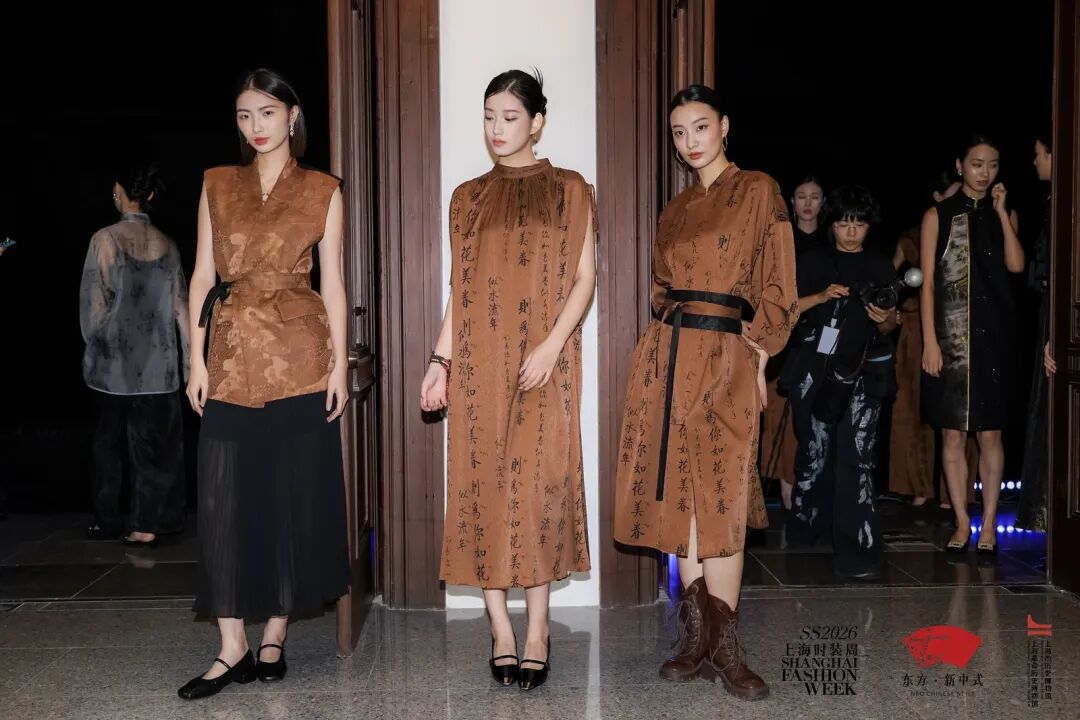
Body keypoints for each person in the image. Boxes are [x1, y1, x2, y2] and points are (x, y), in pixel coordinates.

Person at [613, 84, 797, 701]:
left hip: (728, 356)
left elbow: (779, 282)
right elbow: (659, 290)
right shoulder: (675, 208)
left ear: (724, 126)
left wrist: (760, 354)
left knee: (723, 497)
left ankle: (728, 647)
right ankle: (696, 639)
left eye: (699, 126)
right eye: (679, 132)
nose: (689, 141)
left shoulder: (759, 190)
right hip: (669, 356)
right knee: (684, 498)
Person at [420, 69, 595, 692]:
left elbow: (584, 279)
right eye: (489, 116)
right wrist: (439, 362)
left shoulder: (570, 189)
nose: (497, 128)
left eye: (511, 117)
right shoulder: (467, 197)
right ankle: (499, 629)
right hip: (479, 365)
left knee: (539, 490)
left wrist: (551, 345)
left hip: (546, 361)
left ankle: (538, 630)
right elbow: (461, 292)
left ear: (537, 122)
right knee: (484, 487)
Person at [179, 68, 349, 700]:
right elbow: (202, 276)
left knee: (289, 494)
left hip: (301, 355)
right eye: (244, 115)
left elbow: (333, 282)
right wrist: (195, 360)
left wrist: (338, 365)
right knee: (222, 496)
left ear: (292, 115)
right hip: (228, 354)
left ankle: (275, 630)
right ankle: (232, 646)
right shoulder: (216, 184)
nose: (255, 126)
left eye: (267, 113)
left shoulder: (323, 189)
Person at [784, 185, 897, 580]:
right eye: (844, 223)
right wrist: (820, 296)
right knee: (815, 451)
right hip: (816, 368)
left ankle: (859, 551)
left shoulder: (879, 264)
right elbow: (785, 310)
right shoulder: (813, 260)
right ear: (831, 225)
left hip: (864, 370)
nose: (851, 232)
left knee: (857, 456)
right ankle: (806, 535)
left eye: (859, 224)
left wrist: (884, 318)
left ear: (869, 227)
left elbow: (891, 322)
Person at [920, 134, 1024, 556]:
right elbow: (928, 283)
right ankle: (962, 521)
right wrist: (930, 341)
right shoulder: (938, 215)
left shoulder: (1005, 212)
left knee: (990, 435)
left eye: (993, 164)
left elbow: (1016, 265)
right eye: (977, 163)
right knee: (951, 434)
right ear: (960, 165)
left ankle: (990, 524)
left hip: (995, 338)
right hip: (950, 338)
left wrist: (1001, 213)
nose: (985, 172)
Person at [79, 161, 189, 546]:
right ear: (151, 195)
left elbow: (92, 308)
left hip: (113, 367)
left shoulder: (104, 239)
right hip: (159, 367)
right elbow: (182, 309)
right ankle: (150, 523)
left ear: (117, 191)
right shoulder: (169, 245)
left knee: (107, 447)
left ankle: (108, 521)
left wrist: (94, 350)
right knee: (156, 449)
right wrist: (190, 364)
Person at [887, 172, 960, 508]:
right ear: (937, 197)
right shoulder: (911, 238)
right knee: (914, 408)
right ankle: (917, 486)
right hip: (917, 329)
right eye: (953, 193)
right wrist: (894, 312)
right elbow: (888, 282)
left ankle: (954, 493)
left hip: (958, 327)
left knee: (956, 413)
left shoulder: (970, 230)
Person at [761, 173, 826, 509]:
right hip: (784, 335)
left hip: (821, 338)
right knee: (778, 413)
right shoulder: (780, 240)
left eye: (814, 197)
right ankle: (785, 486)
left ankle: (810, 487)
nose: (808, 204)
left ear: (823, 202)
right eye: (802, 196)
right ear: (791, 201)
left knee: (816, 413)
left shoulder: (832, 241)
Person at [1017, 129, 1053, 531]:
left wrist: (1058, 334)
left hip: (1059, 317)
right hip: (1050, 313)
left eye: (1039, 153)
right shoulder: (1052, 201)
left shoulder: (1066, 203)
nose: (1035, 161)